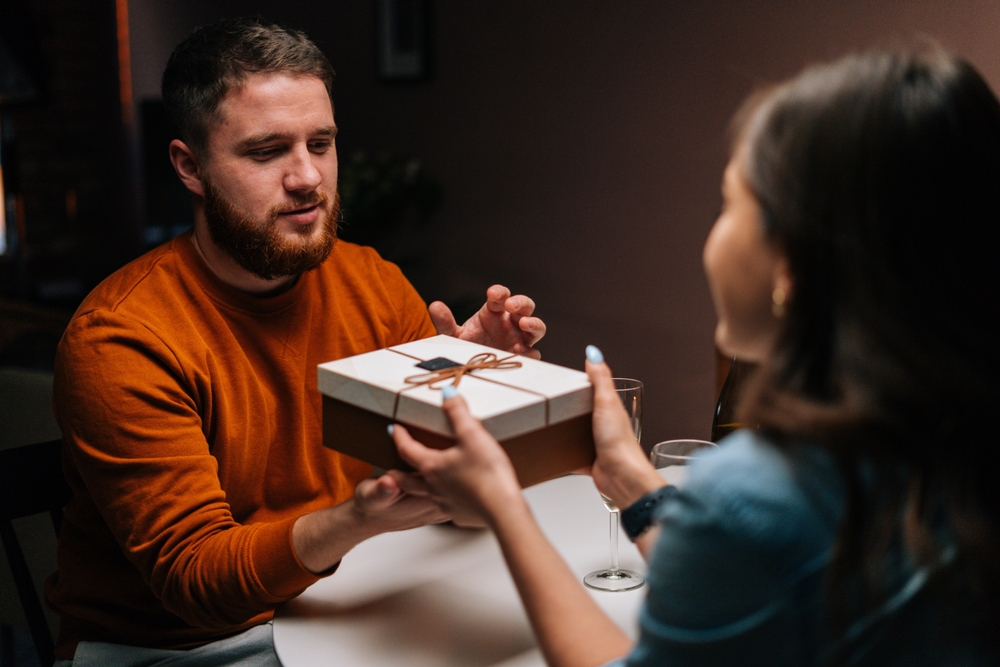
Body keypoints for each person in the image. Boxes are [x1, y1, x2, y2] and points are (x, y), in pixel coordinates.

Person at [392, 47, 1000, 666]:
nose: (714, 232)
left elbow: (744, 538)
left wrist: (503, 506)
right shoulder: (947, 439)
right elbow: (758, 585)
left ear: (791, 263)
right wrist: (627, 474)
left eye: (730, 203)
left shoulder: (760, 494)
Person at [46, 17, 546, 665]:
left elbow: (464, 511)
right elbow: (197, 585)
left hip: (345, 605)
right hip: (178, 647)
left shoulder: (371, 280)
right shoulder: (121, 338)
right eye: (267, 151)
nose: (308, 176)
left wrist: (479, 399)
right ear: (189, 166)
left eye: (321, 142)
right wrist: (359, 520)